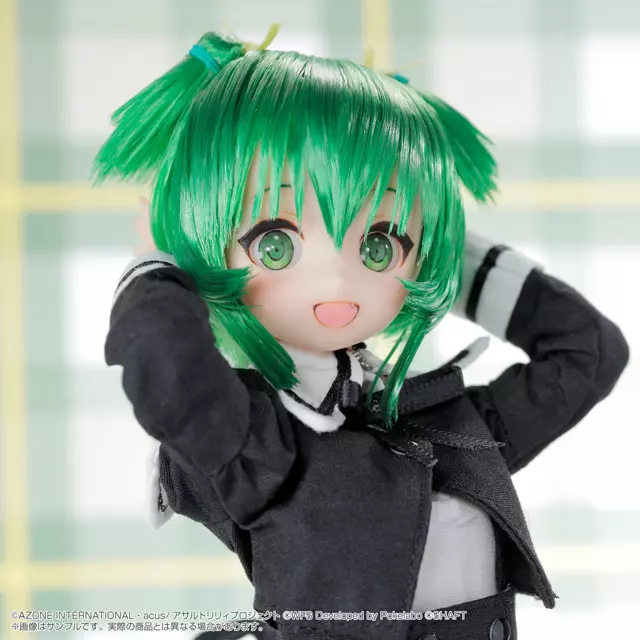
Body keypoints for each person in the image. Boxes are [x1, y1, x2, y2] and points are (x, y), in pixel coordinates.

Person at [95, 26, 629, 640]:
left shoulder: (450, 422)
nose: (338, 280)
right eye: (276, 243)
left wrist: (451, 260)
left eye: (379, 244)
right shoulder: (258, 437)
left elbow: (588, 352)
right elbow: (169, 374)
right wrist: (158, 269)